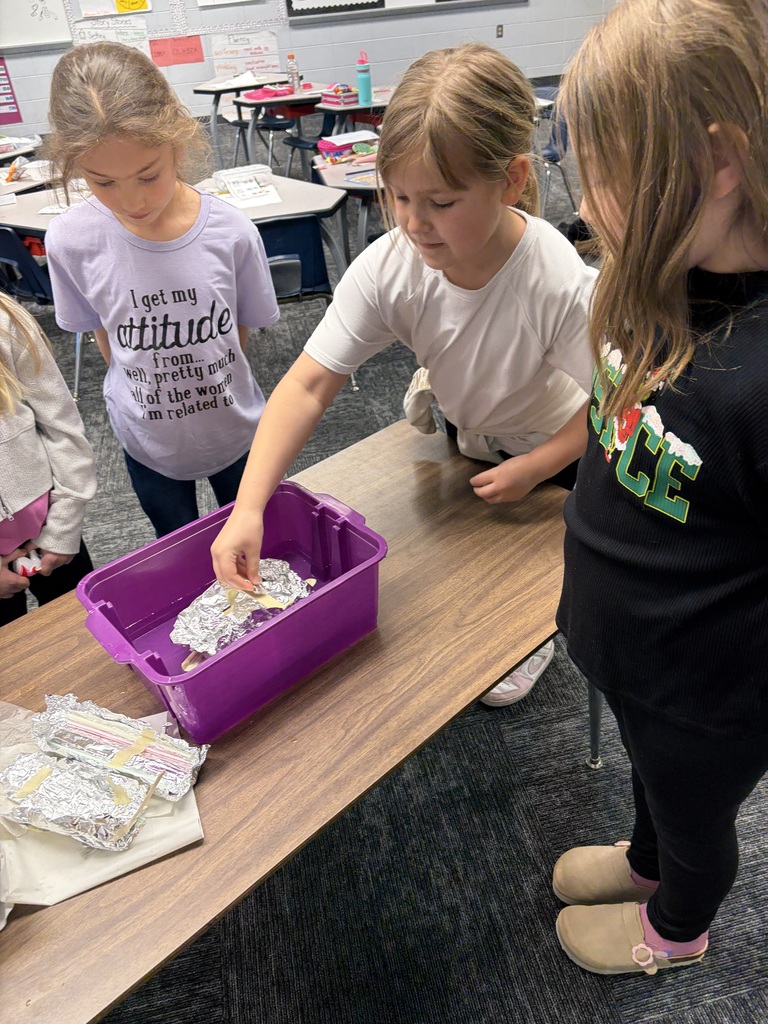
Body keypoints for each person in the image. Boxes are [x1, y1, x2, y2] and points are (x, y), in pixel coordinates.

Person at [211, 42, 597, 706]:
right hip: (469, 434)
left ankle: (542, 636)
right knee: (445, 581)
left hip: (563, 451)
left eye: (442, 202)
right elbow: (306, 384)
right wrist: (247, 506)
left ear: (510, 181)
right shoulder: (394, 263)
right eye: (397, 197)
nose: (414, 223)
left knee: (528, 601)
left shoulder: (553, 277)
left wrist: (540, 465)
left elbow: (617, 404)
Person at [552, 0, 768, 976]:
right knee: (649, 782)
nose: (584, 204)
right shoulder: (673, 277)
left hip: (705, 690)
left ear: (719, 164)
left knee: (692, 812)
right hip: (636, 658)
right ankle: (645, 863)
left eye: (605, 171)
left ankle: (674, 927)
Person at [44, 41, 279, 539]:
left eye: (148, 175)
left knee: (258, 545)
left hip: (236, 430)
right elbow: (105, 335)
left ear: (177, 139)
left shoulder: (231, 232)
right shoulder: (71, 240)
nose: (132, 201)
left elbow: (239, 331)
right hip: (146, 439)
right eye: (102, 182)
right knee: (177, 550)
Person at [0, 293, 96, 627]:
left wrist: (64, 527)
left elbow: (62, 427)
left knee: (81, 632)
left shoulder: (6, 320)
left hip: (48, 527)